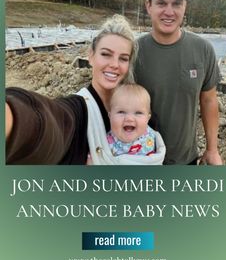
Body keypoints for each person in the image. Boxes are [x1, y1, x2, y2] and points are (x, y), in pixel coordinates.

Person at [6, 15, 138, 165]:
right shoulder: (77, 112)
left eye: (123, 58)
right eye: (106, 54)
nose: (114, 64)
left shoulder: (137, 109)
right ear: (90, 56)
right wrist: (13, 118)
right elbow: (46, 122)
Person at [134, 0, 222, 165]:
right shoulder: (133, 52)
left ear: (185, 8)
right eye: (161, 3)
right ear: (148, 6)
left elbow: (208, 100)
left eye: (177, 4)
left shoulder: (203, 49)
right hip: (141, 162)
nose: (169, 11)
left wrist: (212, 149)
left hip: (186, 161)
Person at [106, 83, 165, 163]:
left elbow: (159, 156)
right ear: (110, 116)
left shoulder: (152, 135)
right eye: (121, 112)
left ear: (148, 118)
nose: (129, 118)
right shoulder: (105, 143)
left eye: (138, 113)